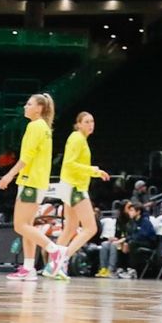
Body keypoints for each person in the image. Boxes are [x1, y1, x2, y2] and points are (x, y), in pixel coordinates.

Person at [0, 94, 68, 282]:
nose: (25, 107)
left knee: (19, 225)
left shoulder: (35, 126)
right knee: (27, 227)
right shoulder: (44, 128)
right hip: (38, 182)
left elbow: (26, 157)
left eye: (29, 104)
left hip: (30, 181)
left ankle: (54, 251)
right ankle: (28, 268)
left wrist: (9, 175)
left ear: (39, 109)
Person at [59, 113, 112, 276]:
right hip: (75, 188)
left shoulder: (79, 139)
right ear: (79, 124)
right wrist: (93, 170)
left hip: (69, 186)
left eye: (92, 121)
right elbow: (69, 164)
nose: (91, 124)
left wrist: (95, 173)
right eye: (87, 122)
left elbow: (76, 166)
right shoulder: (77, 138)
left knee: (70, 228)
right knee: (91, 228)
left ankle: (53, 265)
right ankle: (63, 258)